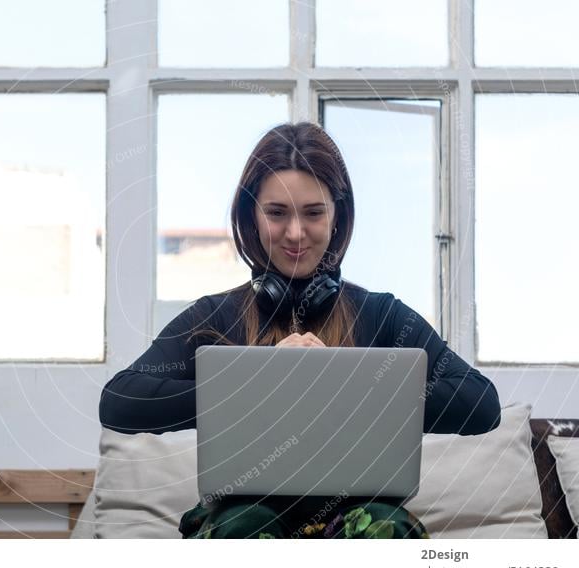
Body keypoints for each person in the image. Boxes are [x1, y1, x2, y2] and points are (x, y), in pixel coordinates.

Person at [99, 122, 501, 539]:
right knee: (242, 525)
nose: (295, 233)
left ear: (337, 216)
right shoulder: (216, 317)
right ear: (251, 216)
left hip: (358, 518)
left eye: (313, 212)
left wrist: (341, 382)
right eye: (277, 213)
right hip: (243, 517)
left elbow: (482, 404)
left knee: (384, 526)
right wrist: (256, 384)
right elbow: (119, 402)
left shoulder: (381, 316)